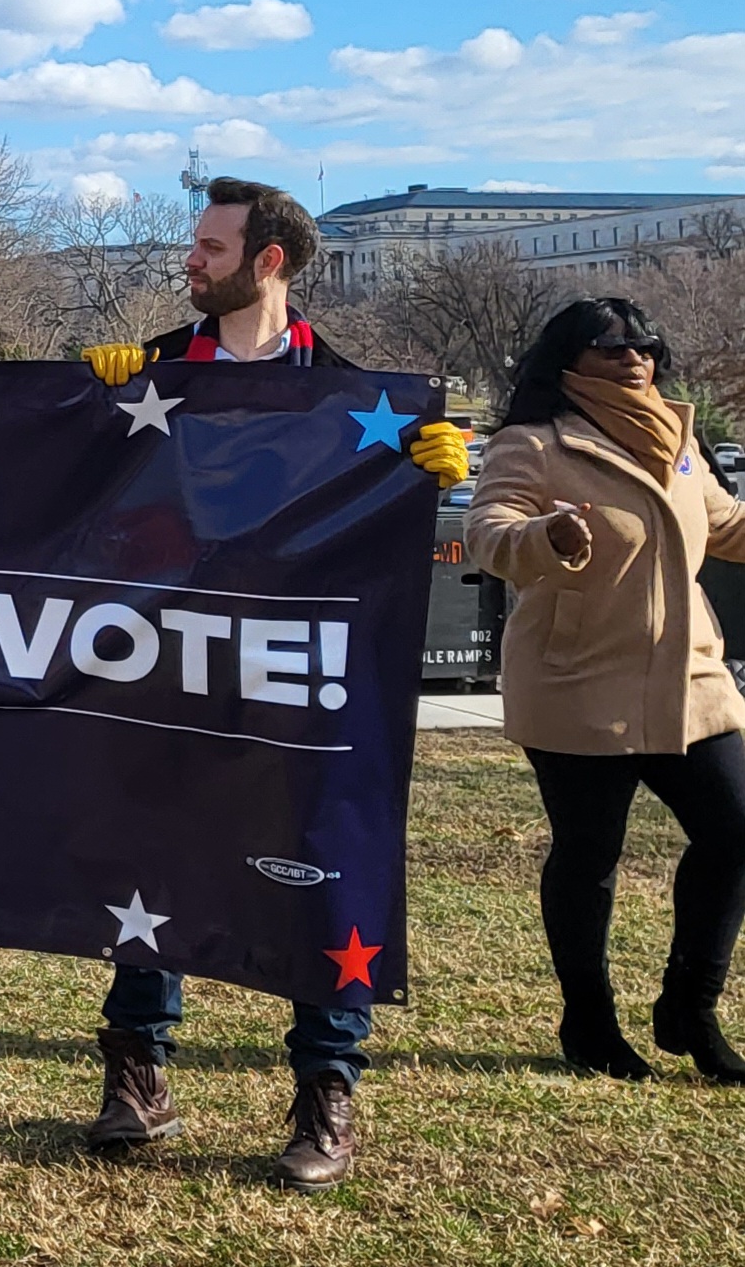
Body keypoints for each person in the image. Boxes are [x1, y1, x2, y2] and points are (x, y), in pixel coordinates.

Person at [76, 176, 469, 1188]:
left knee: (319, 860)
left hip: (297, 681)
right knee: (148, 858)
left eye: (208, 246)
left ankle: (325, 1090)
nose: (188, 260)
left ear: (269, 259)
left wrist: (431, 469)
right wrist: (79, 406)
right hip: (164, 670)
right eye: (192, 244)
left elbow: (371, 537)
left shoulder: (347, 395)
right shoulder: (151, 373)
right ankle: (135, 1074)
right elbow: (67, 499)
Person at [467, 297, 745, 1083]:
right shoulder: (534, 443)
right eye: (609, 345)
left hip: (690, 677)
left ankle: (690, 1007)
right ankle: (588, 1022)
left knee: (736, 832)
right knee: (590, 855)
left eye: (646, 344)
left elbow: (724, 528)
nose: (634, 358)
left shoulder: (679, 440)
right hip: (577, 680)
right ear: (567, 362)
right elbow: (489, 533)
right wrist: (543, 537)